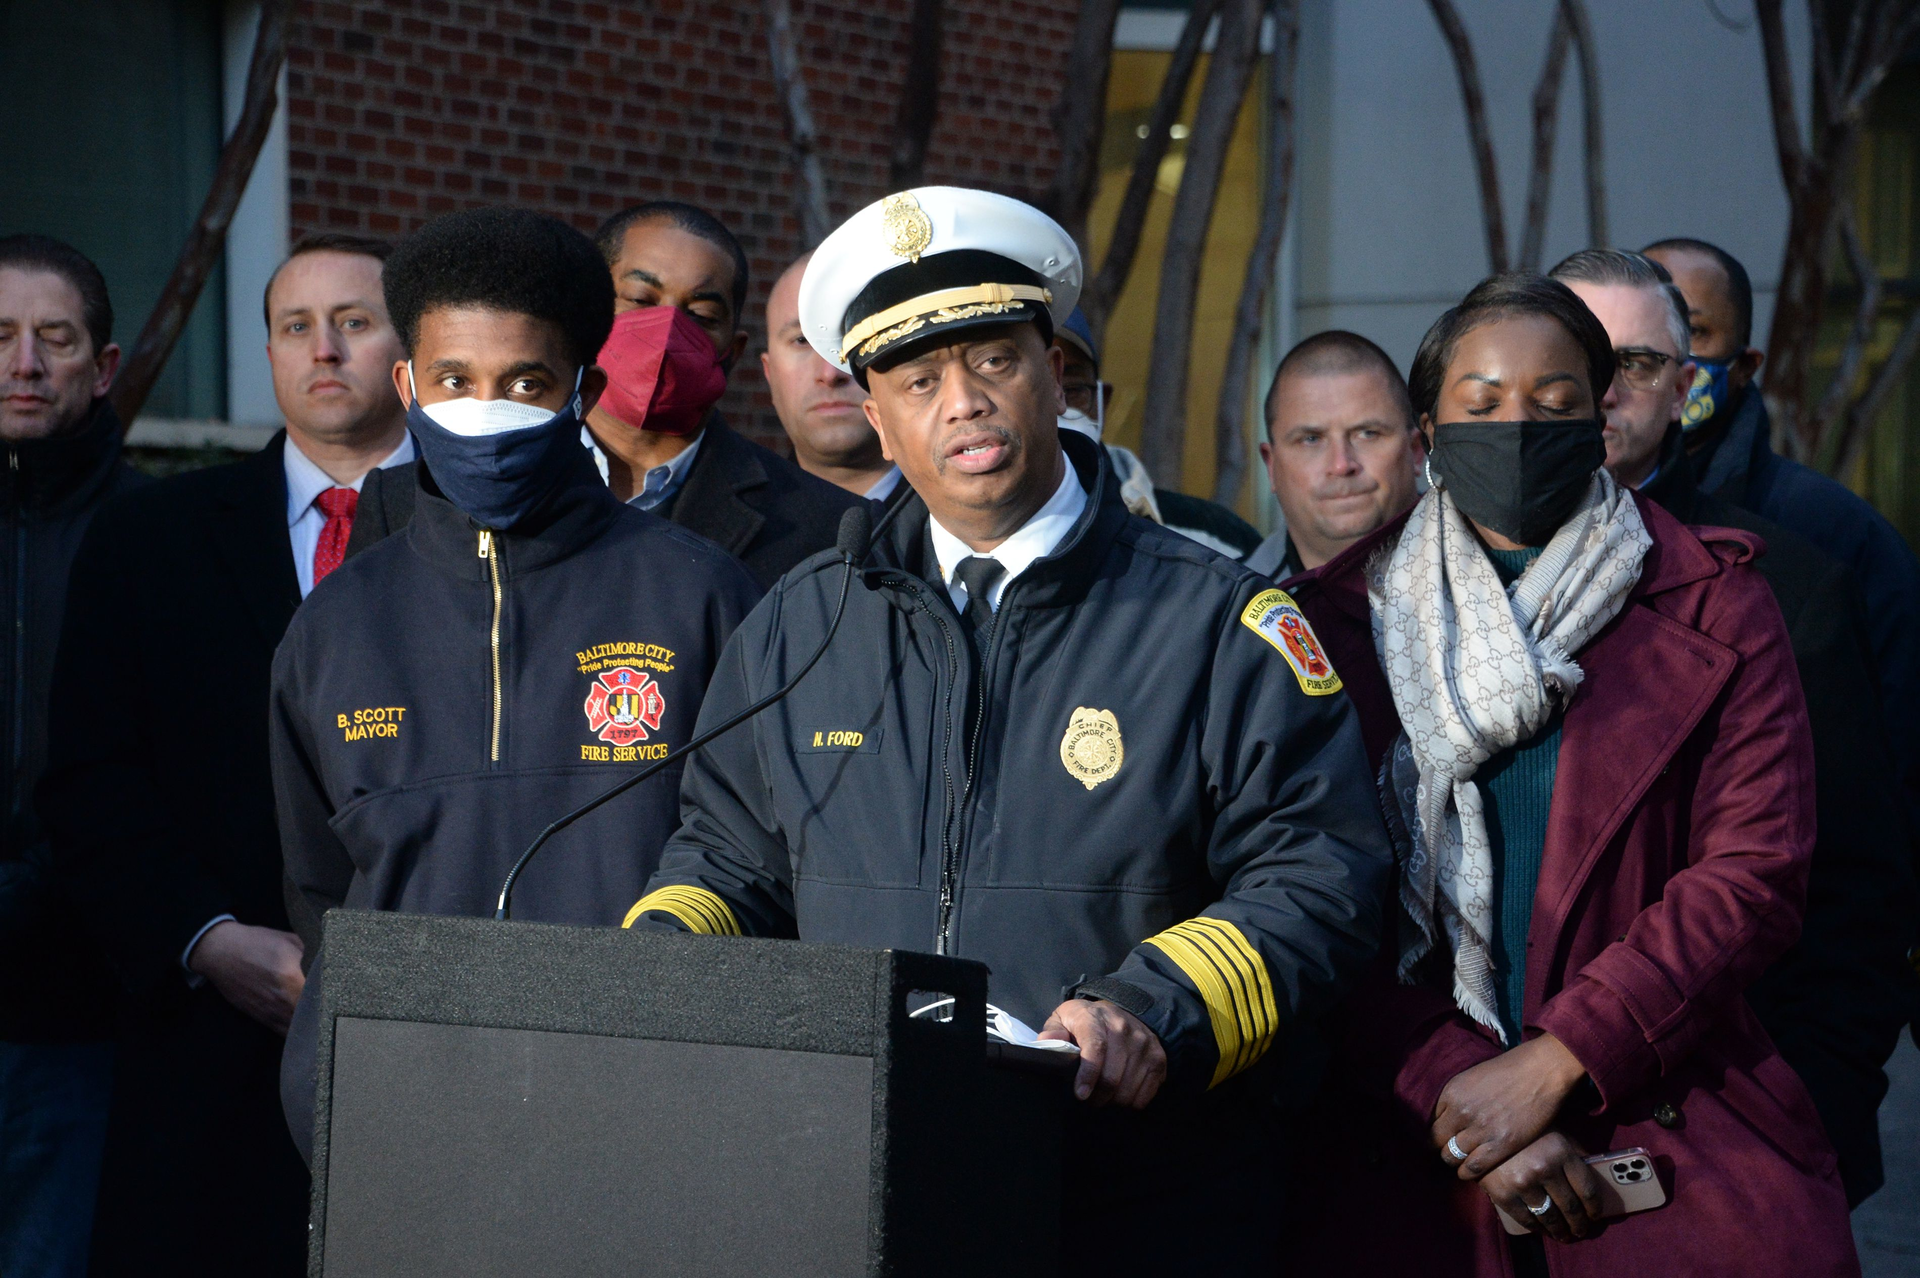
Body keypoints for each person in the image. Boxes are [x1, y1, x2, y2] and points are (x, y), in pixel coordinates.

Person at [623, 186, 1392, 1271]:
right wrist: (655, 964)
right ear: (877, 417)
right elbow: (727, 855)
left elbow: (1321, 874)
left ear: (1057, 373)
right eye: (920, 380)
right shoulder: (802, 620)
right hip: (854, 1188)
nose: (964, 404)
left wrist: (1150, 1009)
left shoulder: (1220, 620)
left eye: (993, 360)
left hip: (1134, 1193)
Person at [1286, 273, 1857, 1275]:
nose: (1517, 427)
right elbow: (1318, 894)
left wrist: (1559, 1061)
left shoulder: (1715, 601)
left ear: (1600, 422)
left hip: (1665, 1123)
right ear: (1428, 431)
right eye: (1483, 404)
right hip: (1405, 1141)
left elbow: (1753, 873)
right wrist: (1467, 1097)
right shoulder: (1336, 626)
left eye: (1554, 407)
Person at [271, 207, 761, 1161]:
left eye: (524, 382)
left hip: (650, 1124)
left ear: (581, 387)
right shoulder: (335, 627)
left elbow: (751, 857)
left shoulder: (697, 594)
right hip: (398, 1134)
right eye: (455, 380)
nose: (485, 411)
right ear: (408, 383)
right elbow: (320, 892)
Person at [37, 234, 411, 1273]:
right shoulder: (150, 539)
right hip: (206, 1050)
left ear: (411, 352)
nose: (323, 350)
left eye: (354, 322)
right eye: (296, 326)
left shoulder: (488, 537)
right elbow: (92, 782)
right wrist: (203, 939)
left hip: (430, 1044)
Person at [1551, 247, 1918, 1205]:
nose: (1600, 389)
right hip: (1498, 1133)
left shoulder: (1787, 587)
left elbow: (1855, 893)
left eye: (1631, 364)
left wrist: (1801, 1112)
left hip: (1724, 1142)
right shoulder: (1436, 588)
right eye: (1575, 356)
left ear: (1684, 388)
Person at [1644, 237, 1920, 834]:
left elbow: (1887, 771)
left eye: (1693, 333)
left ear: (1743, 367)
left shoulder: (1832, 535)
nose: (1660, 360)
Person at [0, 235, 144, 1278]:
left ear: (103, 366)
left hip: (79, 1012)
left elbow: (147, 769)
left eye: (54, 338)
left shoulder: (159, 536)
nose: (24, 364)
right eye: (0, 338)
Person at [1052, 306, 1264, 556]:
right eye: (1028, 387)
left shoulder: (1218, 543)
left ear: (1101, 403)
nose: (1052, 407)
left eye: (1071, 390)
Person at [1248, 329, 1424, 579]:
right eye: (1311, 439)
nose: (1342, 465)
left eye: (1368, 434)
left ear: (1416, 450)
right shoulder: (1225, 609)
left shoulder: (1493, 578)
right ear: (1271, 466)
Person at [762, 249, 900, 500]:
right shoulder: (717, 532)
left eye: (855, 336)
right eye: (802, 340)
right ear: (769, 373)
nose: (829, 373)